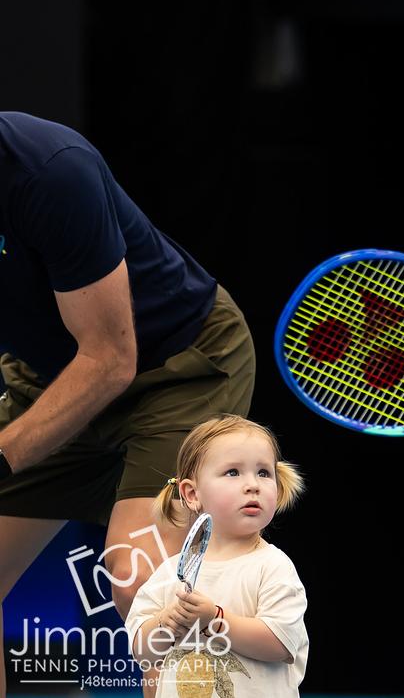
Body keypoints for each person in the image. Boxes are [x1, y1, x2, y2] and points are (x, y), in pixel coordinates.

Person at [0, 111, 256, 697]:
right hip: (47, 373)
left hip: (177, 365)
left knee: (142, 576)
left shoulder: (49, 171)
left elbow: (110, 359)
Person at [126, 414, 307, 696]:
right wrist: (166, 622)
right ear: (192, 494)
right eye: (233, 472)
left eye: (263, 472)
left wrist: (214, 619)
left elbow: (280, 645)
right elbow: (141, 652)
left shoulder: (273, 566)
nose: (253, 484)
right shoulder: (169, 573)